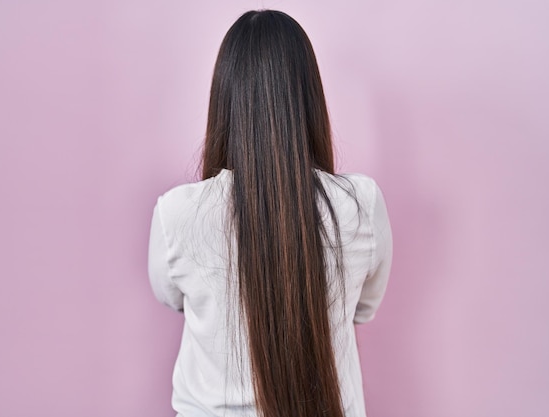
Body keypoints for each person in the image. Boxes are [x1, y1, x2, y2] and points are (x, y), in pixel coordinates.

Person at [148, 9, 392, 417]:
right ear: (308, 98)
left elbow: (172, 296)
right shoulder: (360, 203)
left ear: (224, 100)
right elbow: (362, 309)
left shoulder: (177, 213)